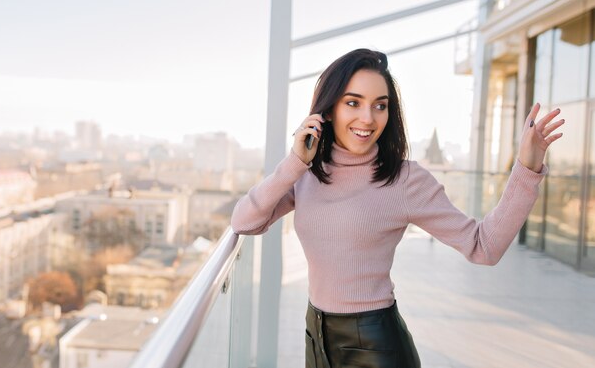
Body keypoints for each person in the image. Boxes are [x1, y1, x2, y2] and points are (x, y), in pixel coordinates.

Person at [230, 48, 564, 368]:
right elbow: (244, 221)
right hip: (316, 336)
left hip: (375, 347)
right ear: (328, 110)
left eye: (380, 105)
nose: (367, 118)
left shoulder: (405, 180)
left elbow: (484, 246)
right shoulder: (306, 173)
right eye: (353, 103)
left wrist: (526, 167)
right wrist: (294, 162)